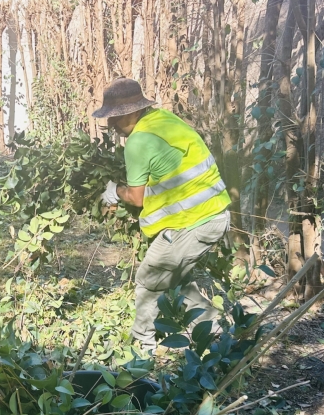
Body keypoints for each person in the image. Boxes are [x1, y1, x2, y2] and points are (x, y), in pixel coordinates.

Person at [92, 77, 231, 355]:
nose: (112, 126)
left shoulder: (138, 142)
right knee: (176, 280)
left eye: (115, 118)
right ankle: (216, 330)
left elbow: (137, 198)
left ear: (131, 111)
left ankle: (141, 344)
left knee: (150, 277)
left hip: (192, 223)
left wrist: (114, 190)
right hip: (214, 214)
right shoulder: (163, 120)